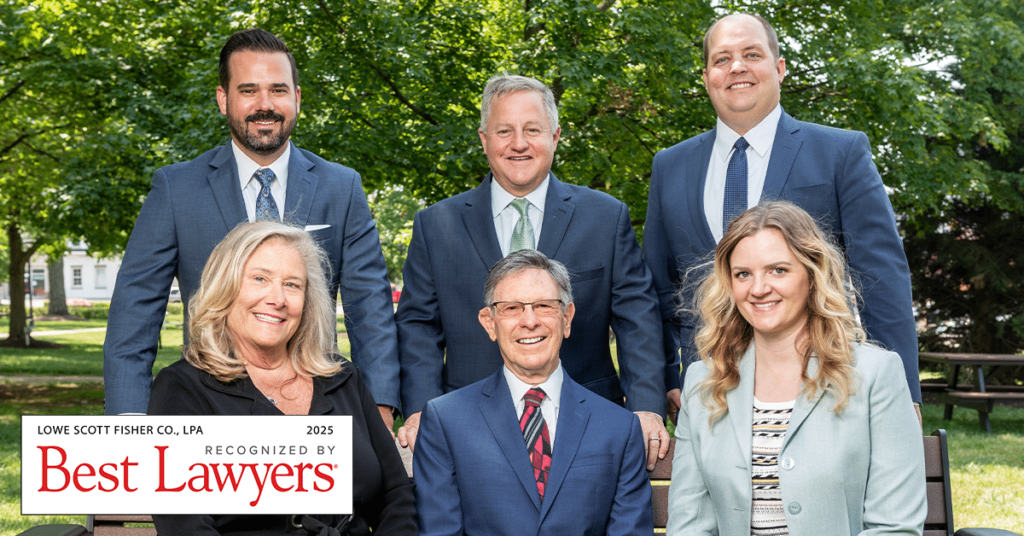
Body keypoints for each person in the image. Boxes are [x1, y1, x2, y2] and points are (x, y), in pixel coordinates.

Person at [104, 29, 400, 428]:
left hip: (316, 410)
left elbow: (371, 310)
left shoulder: (341, 187)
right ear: (223, 99)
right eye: (248, 90)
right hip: (206, 410)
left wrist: (378, 409)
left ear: (297, 98)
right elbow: (133, 316)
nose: (265, 105)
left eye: (278, 90)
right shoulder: (176, 189)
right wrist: (127, 422)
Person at [641, 13, 922, 421]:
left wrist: (904, 393)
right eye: (722, 59)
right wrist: (664, 376)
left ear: (778, 68)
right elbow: (656, 288)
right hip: (707, 392)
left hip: (821, 387)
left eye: (751, 54)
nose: (736, 67)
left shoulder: (840, 153)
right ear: (706, 77)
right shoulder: (670, 165)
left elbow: (883, 279)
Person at [396, 74, 669, 467]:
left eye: (532, 130)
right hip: (467, 428)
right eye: (504, 130)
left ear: (555, 136)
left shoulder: (606, 218)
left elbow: (637, 318)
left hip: (585, 427)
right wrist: (422, 409)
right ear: (483, 139)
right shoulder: (435, 225)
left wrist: (645, 406)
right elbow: (418, 325)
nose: (519, 143)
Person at [666, 201, 925, 535]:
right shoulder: (704, 381)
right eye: (743, 274)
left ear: (812, 274)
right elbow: (688, 525)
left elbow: (895, 527)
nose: (758, 289)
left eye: (778, 270)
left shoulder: (876, 375)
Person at [148, 221, 416, 535]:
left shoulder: (342, 377)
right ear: (226, 287)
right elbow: (187, 527)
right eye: (260, 278)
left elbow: (396, 495)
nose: (278, 299)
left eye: (292, 285)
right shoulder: (182, 388)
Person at [414, 250, 653, 536]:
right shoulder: (446, 420)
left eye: (543, 306)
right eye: (511, 308)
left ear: (567, 318)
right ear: (490, 323)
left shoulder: (619, 427)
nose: (529, 321)